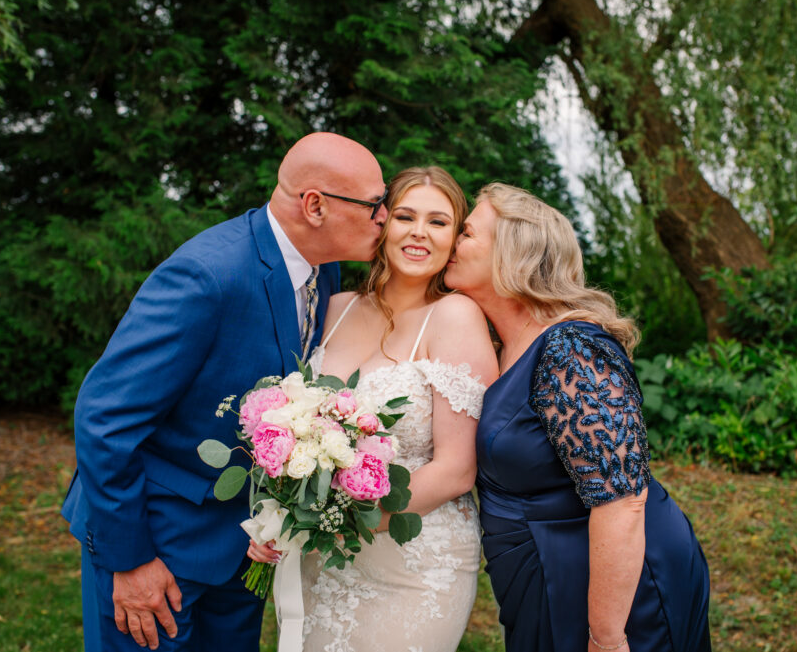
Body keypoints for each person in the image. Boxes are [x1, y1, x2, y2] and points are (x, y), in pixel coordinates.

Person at [61, 132, 389, 651]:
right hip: (156, 543)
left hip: (242, 547)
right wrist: (131, 561)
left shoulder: (324, 269)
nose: (385, 218)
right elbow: (105, 419)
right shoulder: (207, 275)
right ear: (315, 206)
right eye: (374, 204)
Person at [445, 182, 712, 652]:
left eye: (466, 233)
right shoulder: (503, 349)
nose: (451, 242)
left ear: (511, 255)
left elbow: (622, 499)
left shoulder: (571, 349)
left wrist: (607, 637)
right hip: (548, 573)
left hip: (615, 588)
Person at [247, 166, 499, 651]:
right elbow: (299, 425)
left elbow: (456, 470)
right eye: (405, 216)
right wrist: (279, 519)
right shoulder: (334, 308)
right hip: (322, 560)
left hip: (413, 561)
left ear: (454, 237)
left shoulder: (455, 317)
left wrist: (332, 522)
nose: (419, 233)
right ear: (382, 224)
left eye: (439, 222)